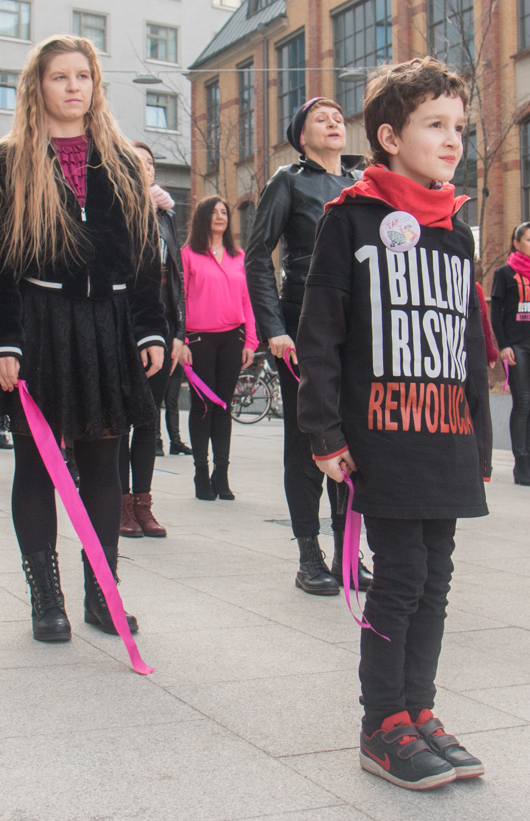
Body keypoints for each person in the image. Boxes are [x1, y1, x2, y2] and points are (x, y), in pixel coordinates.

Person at [297, 57, 491, 791]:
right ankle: (382, 722)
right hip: (380, 433)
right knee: (400, 574)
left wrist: (479, 437)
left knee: (437, 574)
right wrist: (324, 431)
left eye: (459, 128)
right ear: (387, 135)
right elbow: (321, 334)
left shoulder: (456, 231)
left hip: (445, 431)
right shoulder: (348, 217)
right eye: (434, 126)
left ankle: (419, 707)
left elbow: (470, 338)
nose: (452, 141)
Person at [0, 34, 165, 645]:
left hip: (108, 324)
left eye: (84, 76)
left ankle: (101, 595)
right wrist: (2, 339)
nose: (74, 86)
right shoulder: (6, 160)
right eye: (61, 77)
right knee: (37, 462)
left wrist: (151, 325)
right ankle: (45, 597)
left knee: (103, 459)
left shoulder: (123, 162)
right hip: (38, 322)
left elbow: (143, 258)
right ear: (39, 86)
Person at [246, 96, 367, 594]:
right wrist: (274, 327)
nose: (334, 122)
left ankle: (347, 554)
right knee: (306, 441)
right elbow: (257, 257)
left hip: (356, 326)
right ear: (301, 135)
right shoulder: (288, 181)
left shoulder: (362, 184)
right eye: (322, 118)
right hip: (301, 326)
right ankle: (308, 556)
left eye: (339, 117)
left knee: (352, 438)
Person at [118, 141, 184, 537]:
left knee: (147, 419)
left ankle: (143, 505)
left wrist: (179, 332)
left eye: (150, 162)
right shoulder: (114, 208)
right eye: (136, 161)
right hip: (122, 325)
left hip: (160, 328)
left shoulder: (164, 215)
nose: (145, 167)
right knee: (119, 420)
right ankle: (120, 504)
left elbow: (175, 277)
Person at [182, 195, 256, 501]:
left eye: (224, 212)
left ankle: (221, 474)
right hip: (198, 340)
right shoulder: (188, 255)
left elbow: (247, 301)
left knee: (224, 406)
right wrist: (182, 340)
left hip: (232, 339)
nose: (220, 216)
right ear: (202, 218)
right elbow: (179, 299)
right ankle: (201, 472)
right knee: (202, 407)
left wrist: (251, 340)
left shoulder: (238, 256)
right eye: (213, 212)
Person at [491, 222, 530, 486]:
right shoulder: (505, 274)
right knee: (523, 402)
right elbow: (496, 313)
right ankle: (520, 465)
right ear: (517, 243)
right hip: (517, 345)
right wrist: (503, 346)